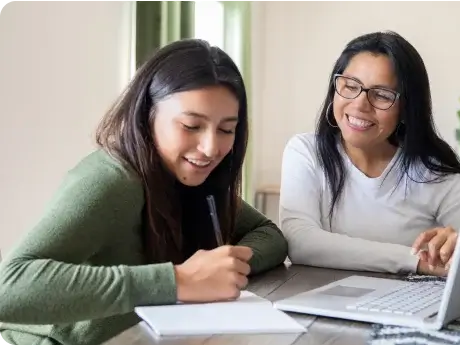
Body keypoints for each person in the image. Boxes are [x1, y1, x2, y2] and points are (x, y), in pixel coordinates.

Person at [0, 39, 288, 346]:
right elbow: (9, 287)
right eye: (191, 126)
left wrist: (225, 269)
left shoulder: (191, 179)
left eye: (226, 129)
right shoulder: (110, 182)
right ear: (147, 115)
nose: (210, 148)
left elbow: (269, 234)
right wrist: (178, 280)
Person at [279, 31, 460, 277]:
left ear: (406, 109)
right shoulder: (306, 152)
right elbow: (301, 243)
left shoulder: (433, 174)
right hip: (317, 302)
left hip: (405, 307)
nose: (360, 104)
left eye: (381, 95)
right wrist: (416, 261)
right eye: (350, 86)